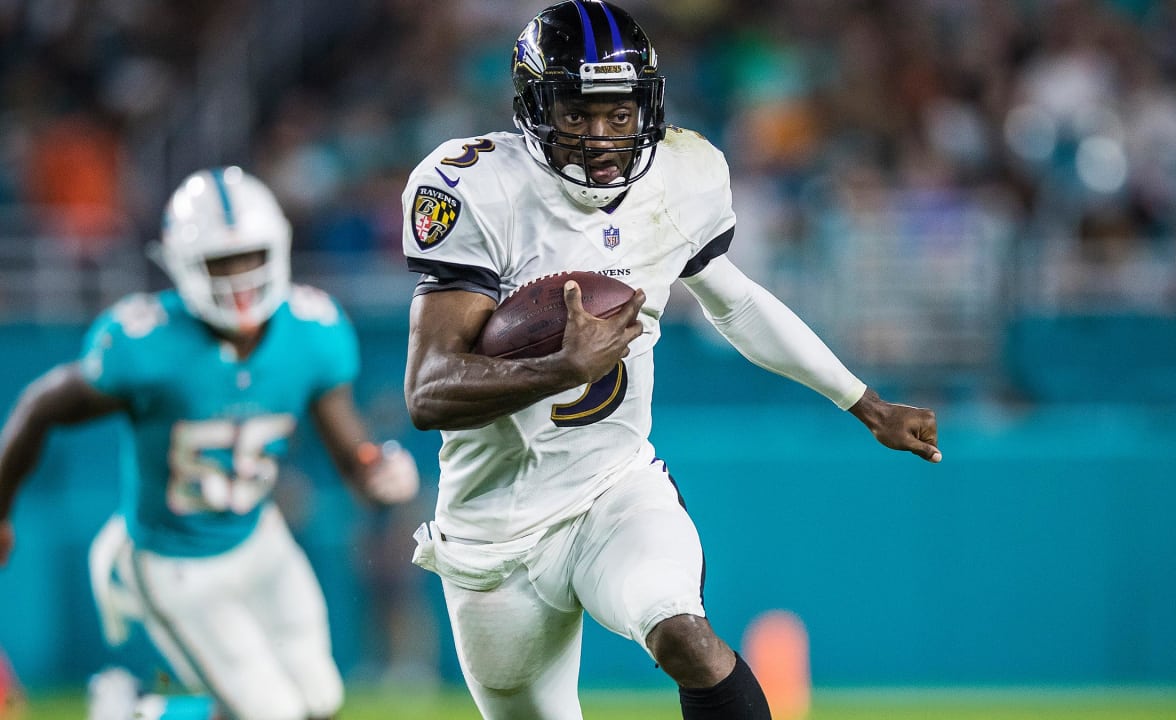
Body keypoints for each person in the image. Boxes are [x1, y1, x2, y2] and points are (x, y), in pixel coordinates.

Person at [400, 2, 941, 719]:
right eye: (577, 110)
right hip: (492, 532)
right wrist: (564, 366)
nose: (600, 135)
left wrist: (865, 403)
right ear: (533, 107)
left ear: (647, 108)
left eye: (619, 113)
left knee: (686, 636)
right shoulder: (478, 189)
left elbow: (736, 302)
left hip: (610, 490)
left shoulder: (681, 177)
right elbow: (428, 392)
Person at [0, 166, 421, 720]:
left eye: (249, 256)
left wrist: (375, 471)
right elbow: (39, 408)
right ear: (181, 264)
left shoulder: (311, 331)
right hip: (175, 563)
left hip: (259, 541)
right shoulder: (145, 345)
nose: (239, 277)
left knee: (320, 700)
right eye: (221, 262)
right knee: (274, 713)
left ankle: (140, 712)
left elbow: (350, 449)